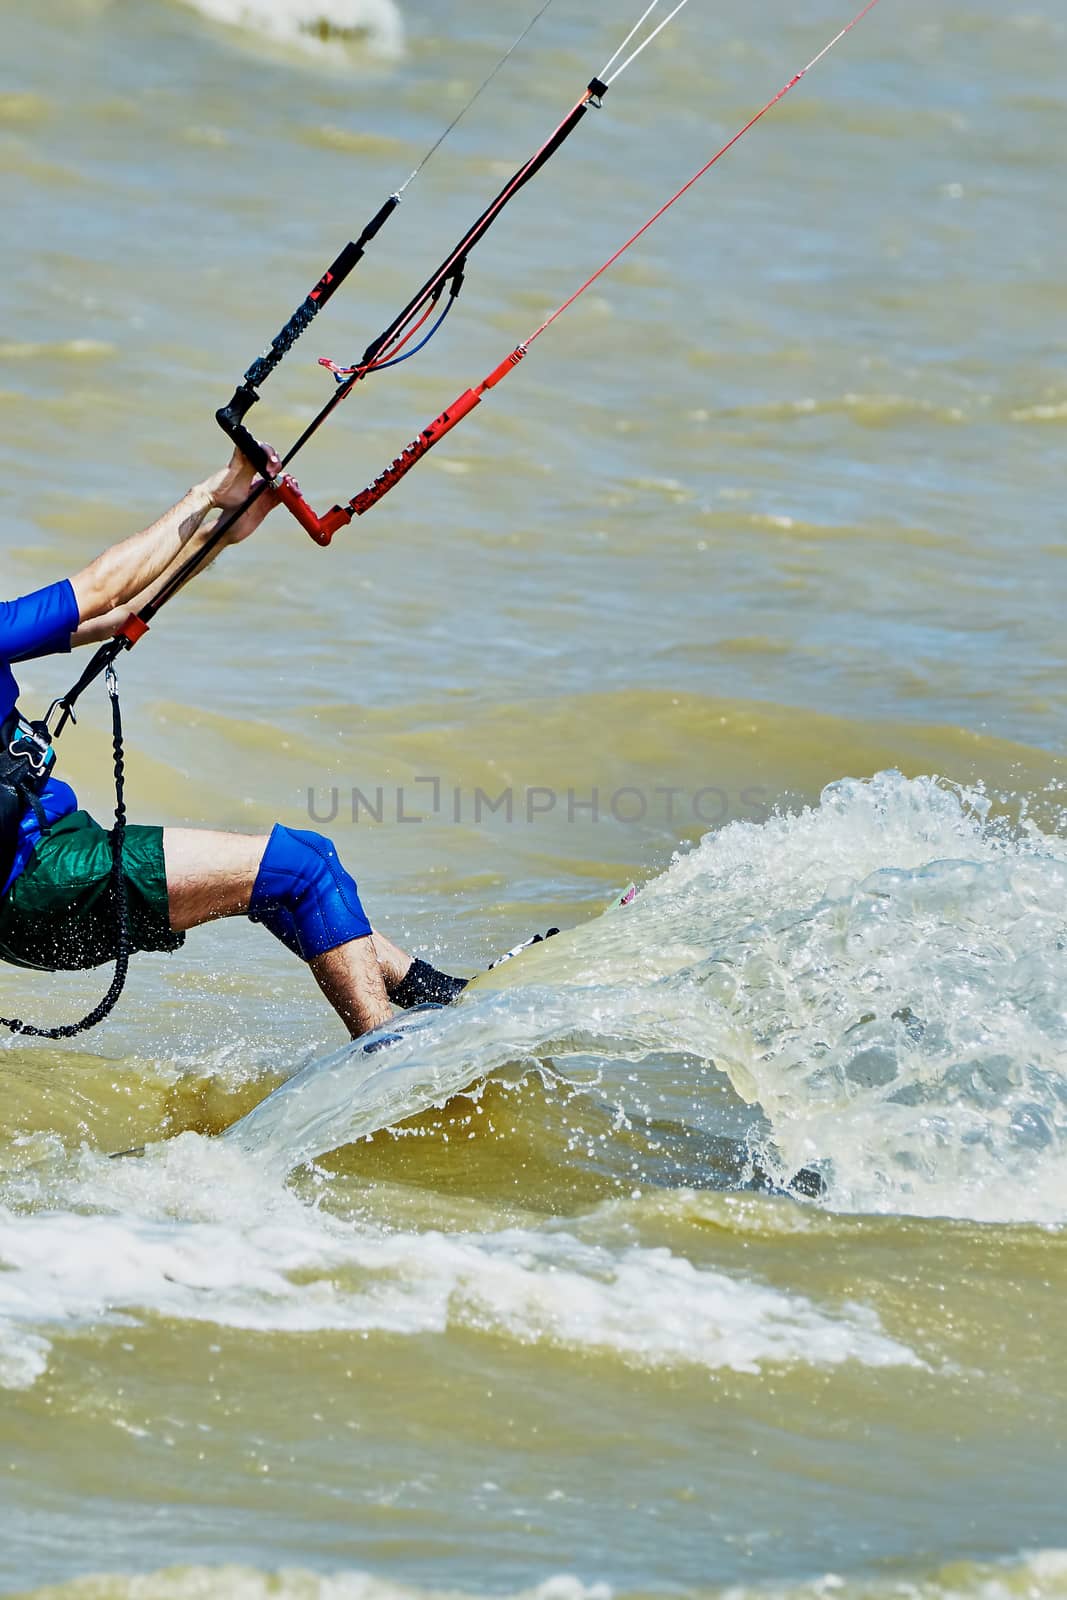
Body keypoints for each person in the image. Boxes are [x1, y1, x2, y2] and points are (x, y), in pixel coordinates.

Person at [0, 448, 468, 1041]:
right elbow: (98, 588)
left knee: (284, 889)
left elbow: (122, 612)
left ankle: (444, 999)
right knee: (303, 866)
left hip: (40, 885)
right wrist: (207, 494)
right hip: (43, 881)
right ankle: (391, 1059)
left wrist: (224, 531)